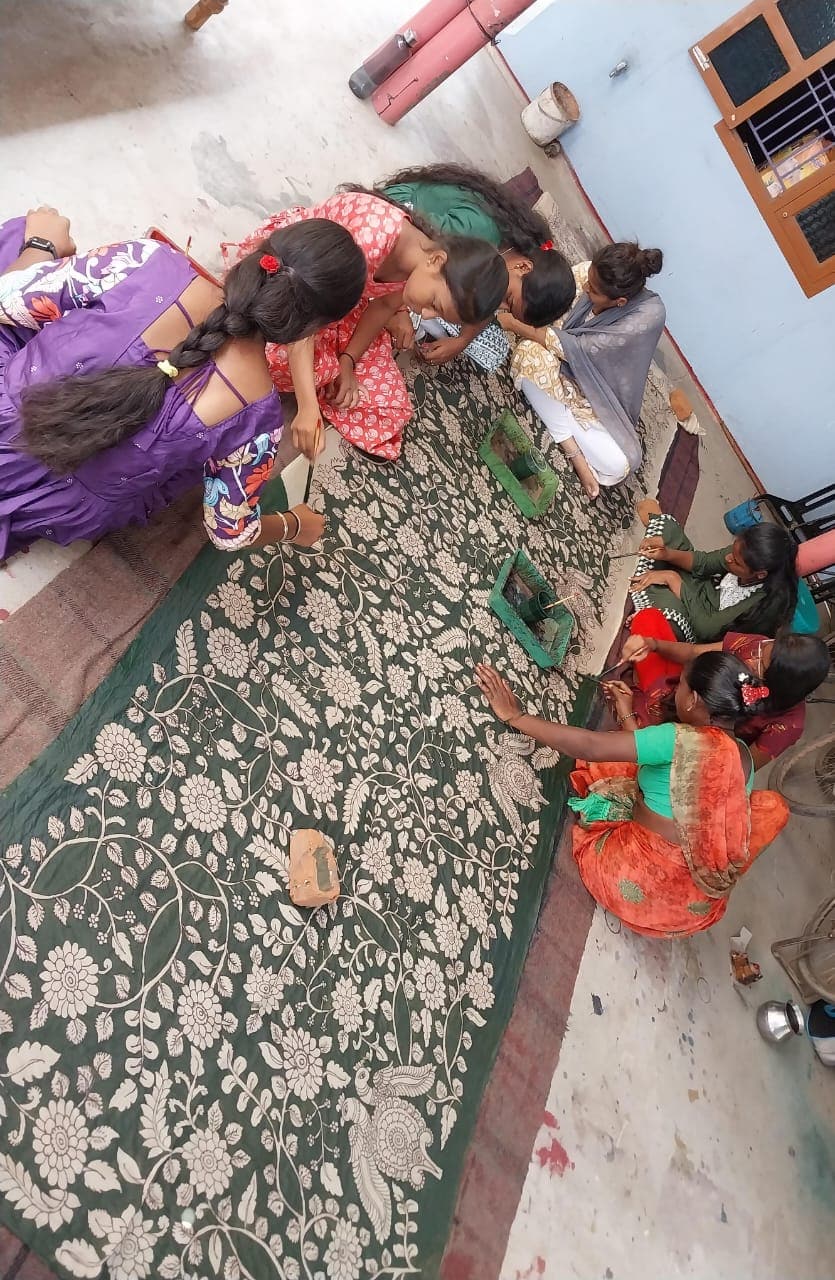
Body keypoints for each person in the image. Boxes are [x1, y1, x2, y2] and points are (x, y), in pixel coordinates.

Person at [0, 206, 367, 559]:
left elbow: (7, 300)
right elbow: (231, 532)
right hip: (55, 505)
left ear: (258, 253)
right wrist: (293, 525)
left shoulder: (146, 263)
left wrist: (42, 245)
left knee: (26, 231)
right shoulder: (259, 421)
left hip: (14, 411)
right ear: (313, 329)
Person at [476, 654, 789, 938]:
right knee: (628, 755)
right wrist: (627, 714)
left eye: (680, 684)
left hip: (639, 879)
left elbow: (591, 746)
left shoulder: (680, 739)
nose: (676, 690)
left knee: (604, 759)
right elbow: (666, 765)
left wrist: (516, 718)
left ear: (693, 700)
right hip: (688, 905)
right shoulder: (744, 757)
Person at [222, 190, 508, 463]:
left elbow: (383, 306)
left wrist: (348, 361)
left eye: (437, 313)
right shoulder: (370, 241)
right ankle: (309, 384)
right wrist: (308, 407)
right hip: (291, 286)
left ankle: (319, 377)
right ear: (437, 260)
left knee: (390, 408)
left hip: (335, 304)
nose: (427, 315)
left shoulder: (417, 265)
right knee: (273, 355)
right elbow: (301, 315)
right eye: (435, 303)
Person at [378, 163, 575, 371]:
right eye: (508, 300)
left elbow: (485, 309)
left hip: (427, 262)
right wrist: (398, 311)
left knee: (495, 350)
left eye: (508, 310)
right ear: (524, 267)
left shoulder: (510, 252)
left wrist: (462, 342)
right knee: (420, 315)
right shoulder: (478, 231)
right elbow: (409, 248)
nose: (500, 307)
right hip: (391, 223)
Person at [509, 242, 666, 500]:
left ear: (620, 302)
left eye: (592, 290)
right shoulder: (587, 274)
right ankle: (574, 451)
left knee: (622, 464)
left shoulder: (642, 319)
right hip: (562, 366)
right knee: (528, 355)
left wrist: (515, 324)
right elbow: (556, 307)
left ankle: (565, 431)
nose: (584, 288)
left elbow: (572, 348)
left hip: (600, 395)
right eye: (589, 280)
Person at [620, 624, 830, 770]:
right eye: (766, 646)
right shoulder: (757, 647)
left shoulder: (788, 725)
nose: (753, 655)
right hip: (680, 697)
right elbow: (695, 653)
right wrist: (653, 644)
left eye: (762, 664)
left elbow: (736, 770)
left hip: (694, 743)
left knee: (631, 752)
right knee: (648, 621)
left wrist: (625, 715)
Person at [629, 514, 799, 643]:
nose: (728, 559)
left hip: (704, 624)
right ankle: (659, 584)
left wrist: (673, 579)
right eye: (732, 552)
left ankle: (657, 597)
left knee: (671, 621)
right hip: (707, 589)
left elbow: (706, 628)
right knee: (668, 529)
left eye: (736, 562)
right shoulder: (744, 551)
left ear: (760, 574)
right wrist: (667, 554)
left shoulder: (761, 604)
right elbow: (704, 563)